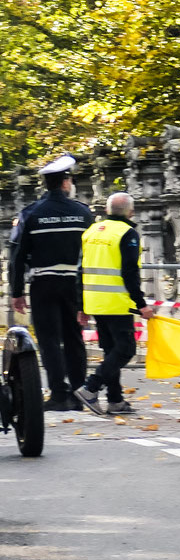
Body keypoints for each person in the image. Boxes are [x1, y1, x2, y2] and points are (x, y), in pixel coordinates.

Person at [6, 156, 92, 409]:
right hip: (74, 284)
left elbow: (17, 256)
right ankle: (79, 393)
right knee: (74, 338)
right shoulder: (83, 213)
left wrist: (17, 291)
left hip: (43, 282)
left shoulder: (31, 214)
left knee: (49, 339)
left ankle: (58, 394)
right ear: (65, 183)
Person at [74, 192, 156, 416]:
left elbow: (80, 270)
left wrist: (81, 305)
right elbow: (129, 272)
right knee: (126, 349)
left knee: (111, 350)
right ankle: (91, 387)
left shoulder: (91, 232)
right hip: (116, 302)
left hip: (95, 300)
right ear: (131, 212)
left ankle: (115, 400)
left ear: (108, 210)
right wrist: (142, 304)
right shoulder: (127, 233)